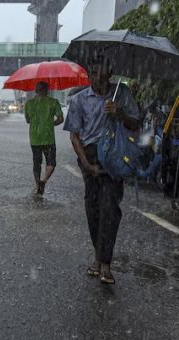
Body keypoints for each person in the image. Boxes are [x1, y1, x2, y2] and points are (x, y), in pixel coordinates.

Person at [63, 57, 140, 285]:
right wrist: (87, 164)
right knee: (93, 209)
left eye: (100, 71)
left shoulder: (121, 93)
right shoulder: (79, 100)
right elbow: (74, 136)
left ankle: (105, 264)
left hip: (114, 156)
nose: (96, 76)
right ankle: (99, 257)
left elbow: (135, 124)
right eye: (92, 72)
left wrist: (119, 114)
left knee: (110, 209)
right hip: (89, 157)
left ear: (110, 72)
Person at [24, 81, 64, 196]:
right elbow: (61, 119)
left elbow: (27, 120)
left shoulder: (29, 104)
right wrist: (52, 124)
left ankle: (37, 185)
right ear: (47, 90)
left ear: (36, 90)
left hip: (35, 138)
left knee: (37, 163)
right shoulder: (53, 102)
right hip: (48, 138)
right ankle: (44, 181)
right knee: (51, 162)